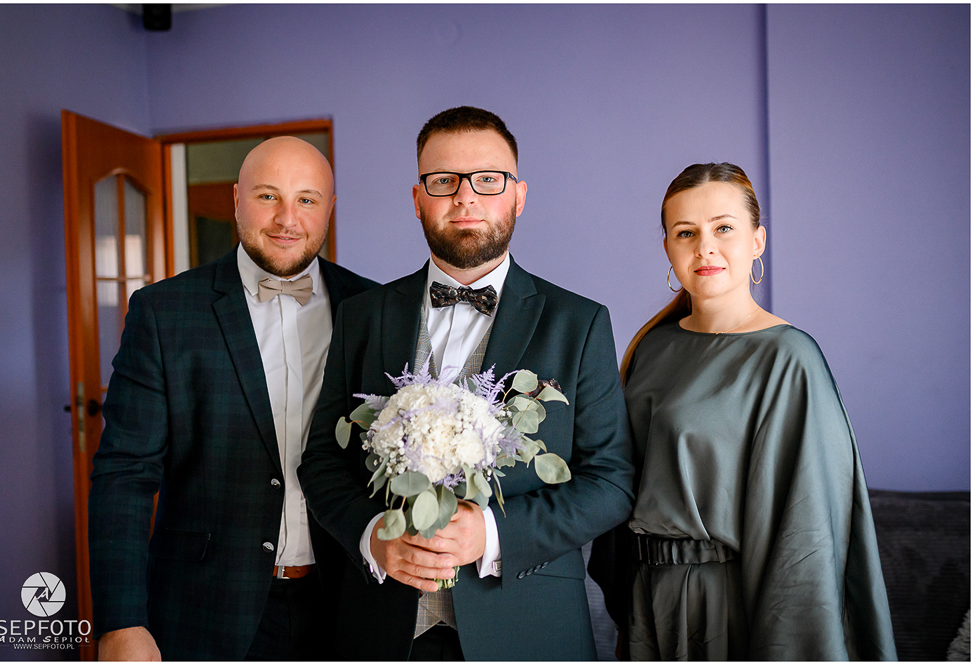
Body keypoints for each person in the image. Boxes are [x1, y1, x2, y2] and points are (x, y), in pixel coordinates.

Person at [299, 106, 635, 660]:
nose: (465, 197)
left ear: (518, 196)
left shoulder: (578, 323)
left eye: (488, 180)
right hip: (382, 629)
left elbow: (611, 482)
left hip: (527, 629)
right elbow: (321, 460)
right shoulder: (363, 316)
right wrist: (372, 535)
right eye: (443, 181)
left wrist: (493, 534)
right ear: (418, 198)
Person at [588, 162, 897, 660]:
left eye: (724, 228)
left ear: (757, 240)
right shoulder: (651, 347)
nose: (704, 247)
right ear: (667, 247)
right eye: (685, 232)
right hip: (647, 599)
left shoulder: (789, 358)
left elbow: (807, 531)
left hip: (728, 607)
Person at [88, 137, 377, 660]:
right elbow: (124, 474)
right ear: (237, 199)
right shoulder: (163, 312)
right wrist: (120, 621)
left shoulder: (373, 308)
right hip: (203, 605)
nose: (287, 219)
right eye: (268, 196)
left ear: (329, 208)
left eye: (307, 199)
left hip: (346, 601)